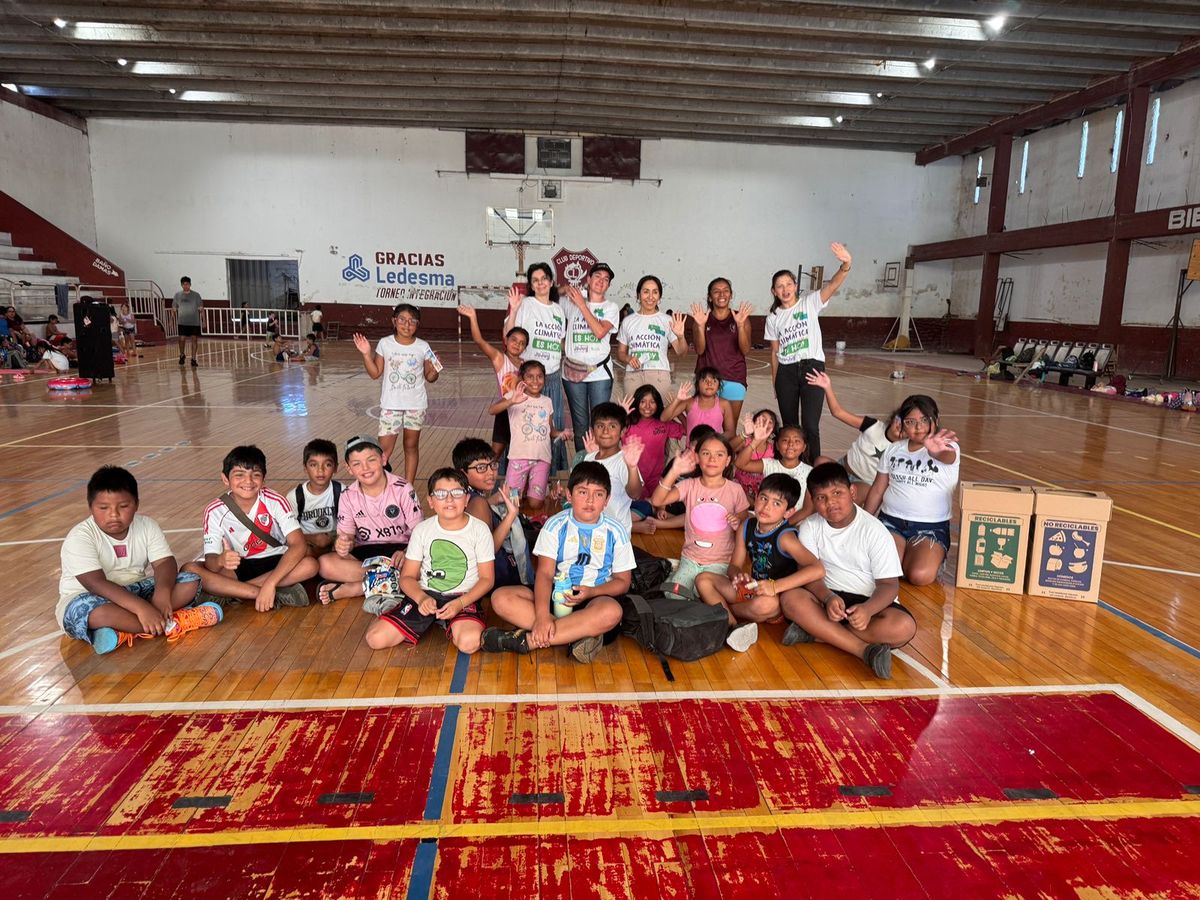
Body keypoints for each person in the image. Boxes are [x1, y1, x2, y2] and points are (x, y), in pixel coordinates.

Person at [58, 466, 221, 655]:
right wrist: (142, 609)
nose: (113, 514)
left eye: (123, 506)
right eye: (103, 508)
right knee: (97, 613)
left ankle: (124, 631)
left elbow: (164, 563)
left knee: (189, 581)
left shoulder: (147, 526)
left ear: (136, 504)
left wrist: (162, 593)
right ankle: (174, 622)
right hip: (89, 596)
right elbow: (96, 584)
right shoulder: (80, 536)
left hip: (135, 589)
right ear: (90, 508)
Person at [482, 462, 630, 664]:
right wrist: (542, 616)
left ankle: (529, 641)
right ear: (569, 495)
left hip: (595, 597)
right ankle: (574, 634)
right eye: (583, 492)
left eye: (598, 494)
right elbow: (545, 574)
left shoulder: (616, 531)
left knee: (612, 612)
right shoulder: (555, 525)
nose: (590, 500)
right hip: (556, 595)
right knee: (500, 598)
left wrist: (591, 592)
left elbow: (623, 581)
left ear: (607, 500)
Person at [783, 463, 917, 679]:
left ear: (852, 492)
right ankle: (863, 650)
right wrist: (827, 598)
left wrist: (868, 610)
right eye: (821, 497)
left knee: (903, 627)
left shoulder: (875, 530)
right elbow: (808, 575)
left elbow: (889, 585)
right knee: (790, 598)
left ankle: (817, 633)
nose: (831, 503)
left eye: (837, 493)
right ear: (813, 501)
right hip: (826, 597)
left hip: (867, 602)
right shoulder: (810, 526)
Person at [363, 468, 494, 654]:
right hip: (425, 594)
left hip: (462, 597)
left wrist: (460, 603)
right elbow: (407, 577)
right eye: (440, 494)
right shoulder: (423, 530)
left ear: (466, 499)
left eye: (456, 493)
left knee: (469, 643)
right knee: (375, 639)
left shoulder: (479, 530)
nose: (449, 499)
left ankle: (445, 620)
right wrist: (421, 598)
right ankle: (401, 610)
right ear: (431, 501)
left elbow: (487, 579)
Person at [694, 473, 825, 653]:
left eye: (776, 503)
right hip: (751, 589)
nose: (766, 507)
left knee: (766, 604)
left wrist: (775, 586)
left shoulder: (785, 537)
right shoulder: (746, 525)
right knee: (703, 579)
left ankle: (720, 610)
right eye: (763, 498)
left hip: (775, 598)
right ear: (756, 498)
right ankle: (732, 626)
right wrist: (737, 575)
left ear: (788, 513)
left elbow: (817, 569)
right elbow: (734, 565)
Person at [182, 445, 318, 611]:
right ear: (225, 479)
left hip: (277, 560)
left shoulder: (275, 501)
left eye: (256, 475)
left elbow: (298, 544)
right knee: (189, 570)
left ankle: (232, 592)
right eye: (239, 475)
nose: (248, 481)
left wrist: (271, 582)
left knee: (311, 564)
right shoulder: (214, 511)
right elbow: (211, 564)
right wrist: (221, 560)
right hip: (239, 565)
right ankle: (262, 593)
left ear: (263, 479)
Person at [764, 243, 853, 457]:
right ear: (774, 291)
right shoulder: (773, 317)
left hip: (812, 368)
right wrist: (775, 383)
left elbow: (832, 286)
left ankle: (814, 472)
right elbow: (775, 354)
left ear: (795, 286)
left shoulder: (810, 303)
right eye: (779, 286)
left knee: (811, 426)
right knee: (789, 427)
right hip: (785, 372)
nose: (784, 289)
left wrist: (846, 264)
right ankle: (788, 470)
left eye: (788, 284)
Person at [316, 435, 423, 607]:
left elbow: (420, 533)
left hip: (400, 553)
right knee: (324, 564)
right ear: (349, 468)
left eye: (371, 460)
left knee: (426, 563)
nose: (365, 468)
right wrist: (343, 544)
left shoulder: (403, 489)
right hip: (366, 555)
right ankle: (391, 582)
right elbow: (347, 538)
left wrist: (406, 551)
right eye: (357, 464)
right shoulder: (347, 495)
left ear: (383, 459)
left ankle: (358, 588)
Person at [864, 395, 959, 587]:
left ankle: (929, 557)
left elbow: (946, 456)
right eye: (910, 422)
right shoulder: (893, 450)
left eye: (924, 420)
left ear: (936, 420)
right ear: (902, 424)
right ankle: (906, 554)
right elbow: (877, 489)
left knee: (919, 576)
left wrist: (934, 451)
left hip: (930, 527)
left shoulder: (948, 447)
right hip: (891, 521)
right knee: (883, 569)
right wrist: (863, 521)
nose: (918, 427)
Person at [650, 433, 750, 600]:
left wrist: (738, 520)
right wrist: (674, 471)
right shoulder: (689, 485)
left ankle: (687, 585)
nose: (712, 459)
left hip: (720, 563)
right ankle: (680, 577)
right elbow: (657, 500)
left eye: (719, 454)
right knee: (674, 596)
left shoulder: (735, 489)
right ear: (697, 457)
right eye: (706, 453)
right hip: (690, 560)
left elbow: (744, 518)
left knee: (706, 592)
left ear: (727, 461)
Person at [352, 303, 440, 484]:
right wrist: (366, 354)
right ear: (394, 321)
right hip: (391, 404)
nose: (407, 325)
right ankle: (379, 486)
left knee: (411, 446)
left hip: (415, 404)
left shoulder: (423, 346)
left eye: (412, 321)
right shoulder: (385, 343)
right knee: (383, 451)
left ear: (417, 324)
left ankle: (408, 487)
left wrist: (435, 369)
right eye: (402, 320)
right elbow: (375, 373)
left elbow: (430, 377)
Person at [504, 262, 567, 472]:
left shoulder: (558, 309)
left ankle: (550, 477)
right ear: (531, 284)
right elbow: (509, 334)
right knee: (527, 429)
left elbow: (560, 343)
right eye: (535, 280)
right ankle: (519, 475)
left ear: (551, 281)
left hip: (552, 376)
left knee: (552, 427)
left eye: (543, 279)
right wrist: (513, 310)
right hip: (531, 378)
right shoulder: (526, 304)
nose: (540, 283)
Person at [489, 359, 571, 511]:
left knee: (536, 503)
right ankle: (514, 517)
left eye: (539, 376)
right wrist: (511, 401)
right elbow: (492, 410)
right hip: (518, 458)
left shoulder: (547, 401)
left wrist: (561, 433)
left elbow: (550, 430)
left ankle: (536, 493)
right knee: (513, 500)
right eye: (530, 376)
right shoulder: (514, 396)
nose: (535, 381)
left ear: (544, 379)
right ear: (522, 378)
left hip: (542, 459)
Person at [805, 370, 902, 492]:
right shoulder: (873, 425)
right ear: (894, 417)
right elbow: (837, 412)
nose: (901, 426)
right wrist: (827, 387)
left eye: (907, 424)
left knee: (852, 494)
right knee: (820, 462)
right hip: (842, 470)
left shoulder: (903, 448)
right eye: (900, 419)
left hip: (864, 483)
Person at [561, 262, 619, 451]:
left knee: (600, 425)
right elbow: (548, 294)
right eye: (597, 276)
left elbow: (600, 332)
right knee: (580, 425)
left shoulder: (611, 307)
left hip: (599, 374)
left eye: (606, 279)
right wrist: (565, 288)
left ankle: (599, 466)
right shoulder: (571, 301)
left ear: (608, 285)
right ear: (588, 279)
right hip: (573, 372)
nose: (601, 281)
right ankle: (581, 465)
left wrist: (582, 305)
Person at [458, 304, 528, 460]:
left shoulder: (526, 364)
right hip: (505, 410)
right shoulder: (499, 358)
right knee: (494, 455)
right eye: (514, 340)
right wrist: (473, 317)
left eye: (522, 343)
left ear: (525, 347)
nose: (517, 344)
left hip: (523, 411)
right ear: (506, 340)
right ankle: (483, 478)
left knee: (522, 454)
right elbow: (479, 340)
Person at [453, 438, 524, 587]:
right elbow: (489, 549)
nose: (490, 473)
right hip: (493, 579)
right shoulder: (478, 503)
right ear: (463, 472)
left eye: (493, 465)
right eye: (481, 468)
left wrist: (492, 499)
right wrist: (511, 515)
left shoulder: (461, 495)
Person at [690, 278, 753, 423]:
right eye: (716, 291)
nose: (721, 294)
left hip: (734, 378)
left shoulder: (741, 318)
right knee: (705, 426)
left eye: (725, 291)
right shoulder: (701, 319)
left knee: (729, 428)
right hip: (707, 379)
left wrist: (741, 326)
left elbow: (745, 350)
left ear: (731, 295)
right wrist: (700, 327)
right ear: (709, 296)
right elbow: (700, 350)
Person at [578, 401, 646, 535]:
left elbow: (635, 493)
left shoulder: (623, 460)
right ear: (592, 430)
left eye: (612, 426)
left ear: (623, 431)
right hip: (593, 529)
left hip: (616, 534)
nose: (605, 431)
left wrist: (632, 468)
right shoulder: (589, 457)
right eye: (600, 426)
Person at [615, 275, 687, 395]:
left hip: (659, 375)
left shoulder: (667, 320)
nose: (650, 297)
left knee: (659, 413)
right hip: (633, 375)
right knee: (633, 413)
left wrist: (680, 336)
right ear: (638, 295)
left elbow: (681, 352)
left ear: (659, 297)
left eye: (655, 292)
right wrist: (629, 358)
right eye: (646, 292)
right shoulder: (628, 321)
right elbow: (620, 353)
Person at [734, 418, 815, 520]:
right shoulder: (769, 464)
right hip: (766, 517)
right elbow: (740, 463)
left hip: (794, 523)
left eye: (797, 441)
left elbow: (808, 509)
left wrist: (782, 526)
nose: (791, 444)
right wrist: (756, 441)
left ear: (804, 447)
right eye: (785, 440)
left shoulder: (811, 472)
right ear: (776, 445)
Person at [621, 385, 684, 500]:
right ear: (637, 403)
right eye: (643, 402)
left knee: (657, 507)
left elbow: (689, 429)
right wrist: (620, 415)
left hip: (656, 479)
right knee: (641, 507)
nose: (647, 406)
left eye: (652, 402)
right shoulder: (627, 423)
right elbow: (610, 436)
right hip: (632, 478)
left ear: (658, 404)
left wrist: (677, 410)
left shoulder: (663, 423)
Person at [291, 438, 342, 557]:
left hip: (336, 543)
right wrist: (313, 538)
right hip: (308, 543)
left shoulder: (342, 491)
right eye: (313, 465)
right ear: (305, 467)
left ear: (335, 468)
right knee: (303, 552)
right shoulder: (295, 496)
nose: (320, 470)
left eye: (328, 464)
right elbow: (287, 534)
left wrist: (337, 539)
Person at [661, 368, 734, 440]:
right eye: (705, 380)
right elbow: (663, 418)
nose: (709, 384)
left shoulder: (724, 404)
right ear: (697, 384)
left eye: (714, 381)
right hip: (691, 450)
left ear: (718, 386)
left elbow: (730, 432)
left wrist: (712, 441)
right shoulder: (689, 402)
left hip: (713, 450)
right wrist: (677, 400)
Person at [733, 409, 778, 499]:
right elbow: (726, 449)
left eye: (770, 421)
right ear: (753, 423)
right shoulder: (746, 441)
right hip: (738, 489)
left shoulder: (774, 449)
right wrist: (744, 434)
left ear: (773, 429)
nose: (765, 423)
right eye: (762, 419)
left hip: (760, 494)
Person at [173, 276, 202, 367]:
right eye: (184, 284)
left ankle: (193, 358)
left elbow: (201, 308)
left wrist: (204, 320)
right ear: (181, 285)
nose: (186, 286)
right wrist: (171, 320)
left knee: (194, 339)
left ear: (190, 284)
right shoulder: (177, 295)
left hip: (194, 322)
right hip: (182, 322)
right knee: (182, 339)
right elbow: (174, 308)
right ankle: (182, 354)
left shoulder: (196, 295)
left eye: (187, 284)